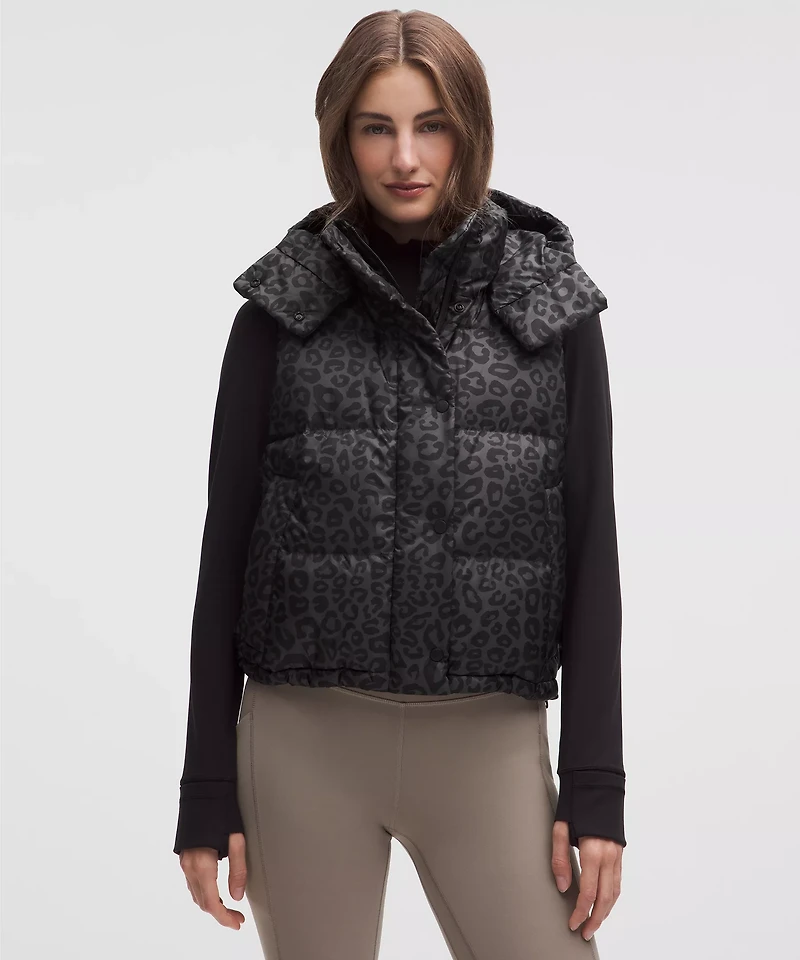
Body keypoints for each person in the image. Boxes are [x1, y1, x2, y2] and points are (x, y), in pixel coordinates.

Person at [174, 10, 625, 958]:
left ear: (471, 129)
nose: (405, 157)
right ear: (342, 136)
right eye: (376, 127)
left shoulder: (550, 308)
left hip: (489, 745)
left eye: (433, 125)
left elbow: (594, 549)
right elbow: (224, 552)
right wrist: (205, 788)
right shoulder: (281, 311)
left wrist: (596, 786)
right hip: (302, 744)